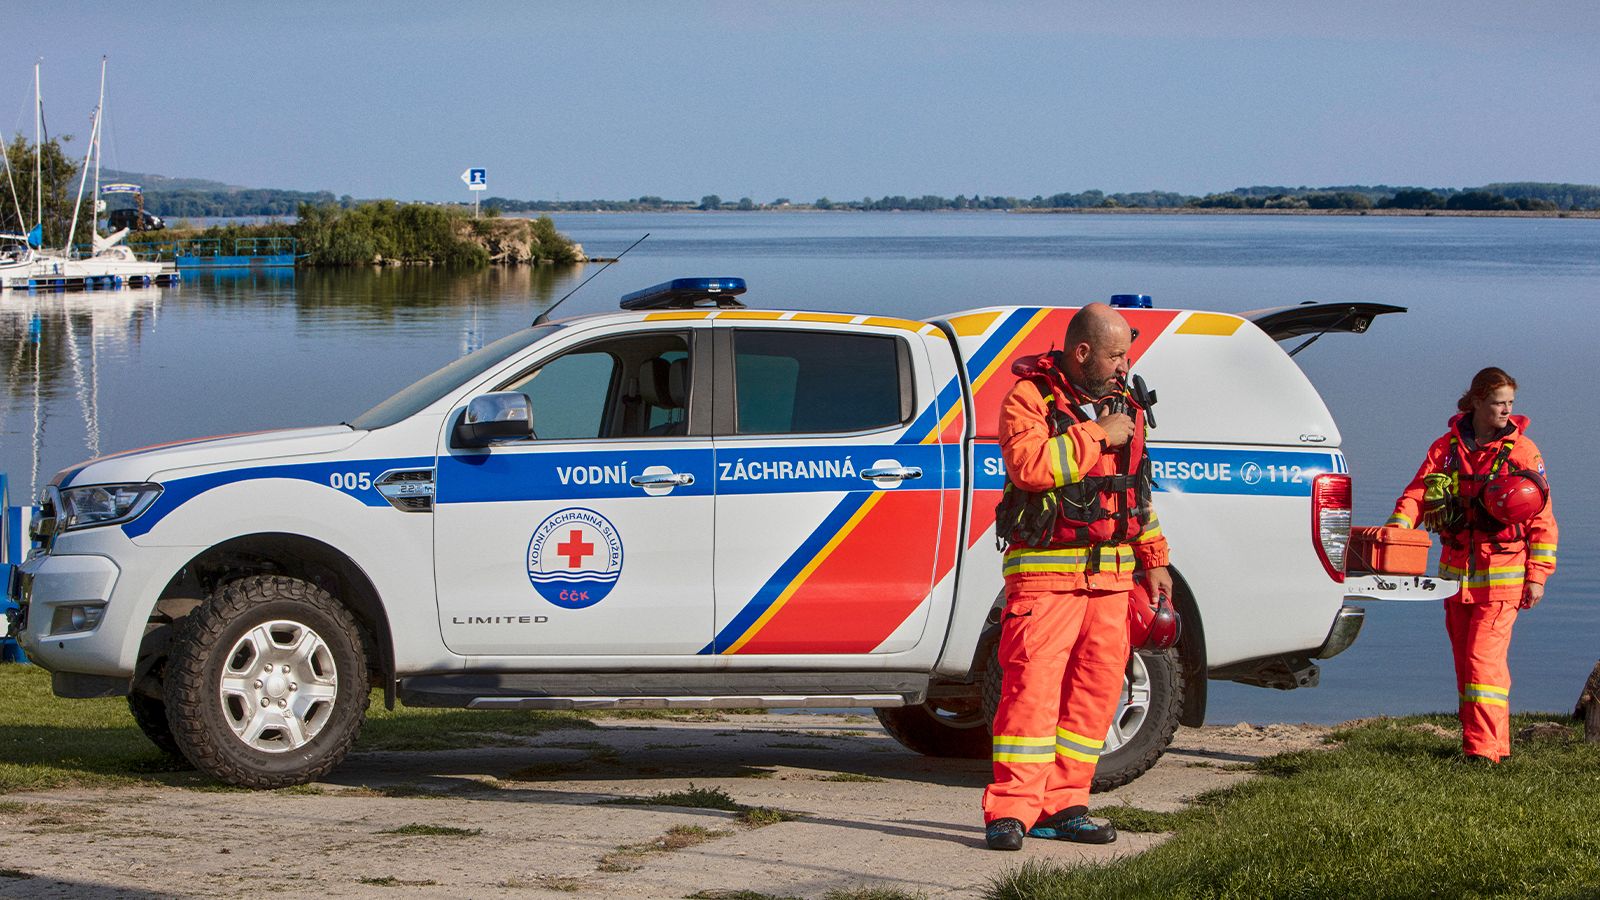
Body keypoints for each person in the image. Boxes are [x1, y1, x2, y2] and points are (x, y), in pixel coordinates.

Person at [983, 303, 1172, 851]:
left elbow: (1135, 493)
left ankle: (1065, 806)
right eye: (1115, 356)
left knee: (1095, 696)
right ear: (1082, 352)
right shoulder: (1029, 398)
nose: (1124, 365)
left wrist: (1155, 558)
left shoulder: (1125, 405)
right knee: (1030, 696)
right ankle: (1011, 811)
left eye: (1127, 356)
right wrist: (1097, 435)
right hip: (1044, 580)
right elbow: (1029, 467)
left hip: (1111, 582)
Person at [1386, 366, 1557, 763]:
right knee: (1467, 665)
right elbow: (1417, 494)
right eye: (1499, 403)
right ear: (1477, 401)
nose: (1507, 411)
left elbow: (1543, 520)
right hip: (1455, 577)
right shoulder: (1446, 448)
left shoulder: (1523, 451)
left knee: (1483, 664)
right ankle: (1483, 743)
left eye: (1511, 403)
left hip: (1502, 578)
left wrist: (1538, 576)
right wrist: (1397, 530)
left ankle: (1484, 753)